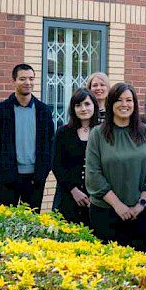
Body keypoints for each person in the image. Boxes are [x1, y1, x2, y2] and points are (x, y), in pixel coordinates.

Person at [85, 83, 146, 251]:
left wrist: (141, 204)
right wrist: (118, 205)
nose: (124, 104)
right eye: (119, 100)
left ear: (134, 104)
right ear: (111, 103)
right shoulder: (98, 133)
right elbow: (93, 174)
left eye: (129, 100)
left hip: (141, 213)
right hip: (106, 213)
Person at [0, 63, 54, 212]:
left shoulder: (44, 111)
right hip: (8, 177)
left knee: (32, 223)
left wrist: (44, 170)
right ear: (13, 81)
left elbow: (51, 143)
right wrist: (1, 166)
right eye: (22, 79)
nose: (27, 83)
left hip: (35, 179)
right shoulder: (1, 110)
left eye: (31, 78)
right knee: (4, 222)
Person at [51, 87, 98, 226]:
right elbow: (57, 165)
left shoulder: (102, 132)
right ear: (73, 108)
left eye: (87, 104)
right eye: (78, 105)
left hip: (95, 198)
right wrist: (74, 190)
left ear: (94, 106)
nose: (83, 108)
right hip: (67, 196)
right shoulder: (63, 133)